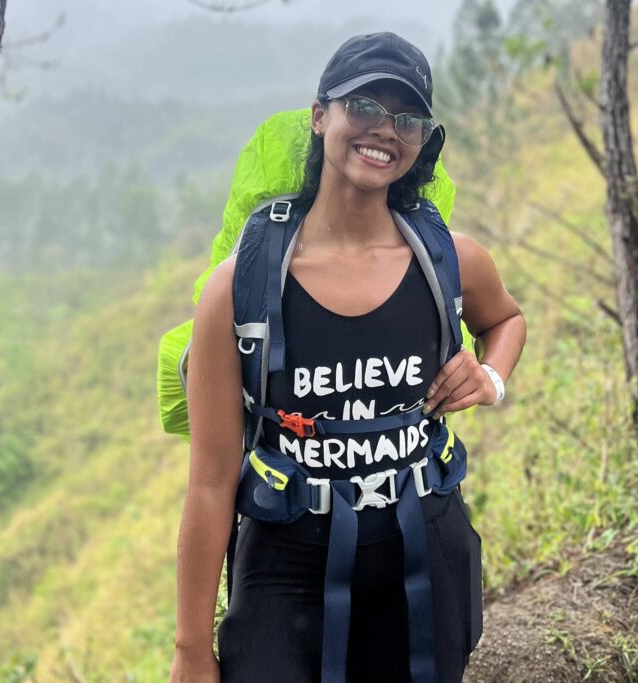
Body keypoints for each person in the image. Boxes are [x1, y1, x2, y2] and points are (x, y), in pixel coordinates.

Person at [170, 31, 526, 683]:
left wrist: (491, 376)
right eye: (364, 106)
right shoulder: (242, 285)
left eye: (407, 117)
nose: (385, 130)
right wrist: (191, 649)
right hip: (286, 565)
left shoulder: (448, 259)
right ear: (319, 115)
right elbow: (212, 480)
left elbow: (505, 318)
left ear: (423, 139)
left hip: (423, 554)